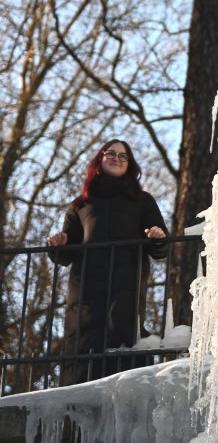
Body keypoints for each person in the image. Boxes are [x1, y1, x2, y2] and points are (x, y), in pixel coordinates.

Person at [46, 139, 168, 385]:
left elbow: (161, 247)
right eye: (110, 153)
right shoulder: (80, 205)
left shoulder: (142, 201)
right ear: (100, 160)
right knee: (84, 342)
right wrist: (58, 244)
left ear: (129, 165)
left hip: (126, 282)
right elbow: (66, 254)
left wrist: (157, 237)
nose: (116, 158)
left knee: (122, 336)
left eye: (123, 156)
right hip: (85, 287)